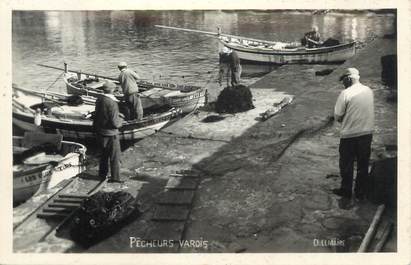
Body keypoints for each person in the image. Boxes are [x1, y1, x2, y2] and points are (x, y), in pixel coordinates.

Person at [333, 68, 374, 200]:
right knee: (363, 163)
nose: (343, 84)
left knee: (346, 163)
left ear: (348, 79)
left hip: (349, 134)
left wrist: (344, 117)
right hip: (367, 133)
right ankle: (360, 191)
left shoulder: (345, 93)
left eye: (343, 81)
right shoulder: (369, 91)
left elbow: (338, 116)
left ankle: (346, 190)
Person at [93, 81, 124, 183]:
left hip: (100, 132)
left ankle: (102, 175)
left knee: (103, 155)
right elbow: (115, 123)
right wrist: (121, 120)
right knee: (115, 157)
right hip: (111, 134)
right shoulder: (112, 103)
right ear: (112, 90)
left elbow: (99, 114)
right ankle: (115, 178)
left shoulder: (99, 99)